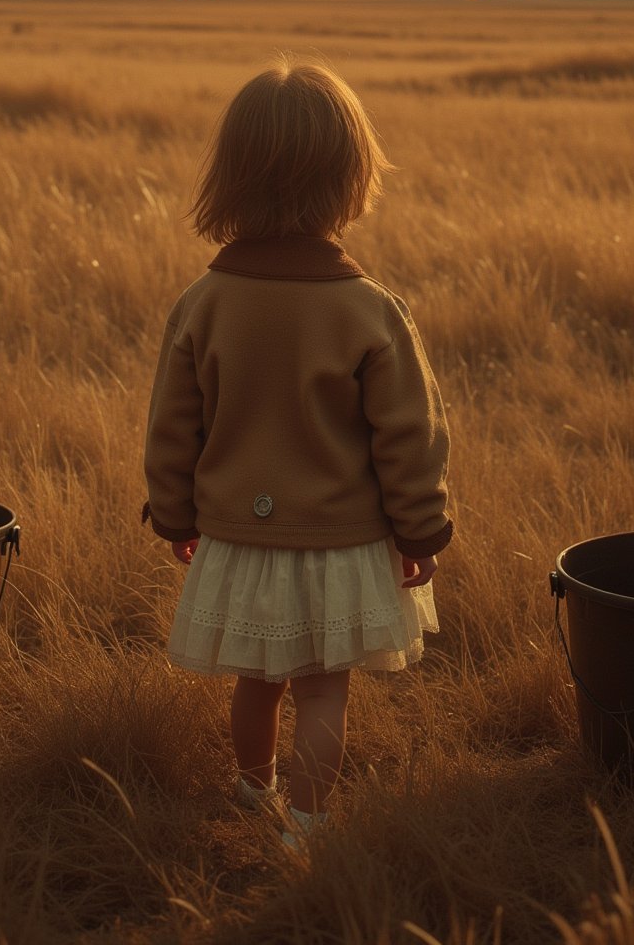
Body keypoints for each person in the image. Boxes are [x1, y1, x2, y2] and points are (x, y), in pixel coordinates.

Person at [141, 54, 453, 851]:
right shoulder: (369, 309)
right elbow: (409, 441)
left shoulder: (204, 302)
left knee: (259, 679)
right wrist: (422, 534)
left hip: (237, 534)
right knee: (322, 691)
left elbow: (172, 426)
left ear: (232, 176)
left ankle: (253, 790)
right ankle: (306, 828)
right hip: (342, 540)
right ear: (351, 179)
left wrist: (174, 513)